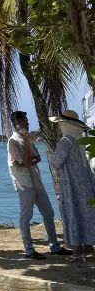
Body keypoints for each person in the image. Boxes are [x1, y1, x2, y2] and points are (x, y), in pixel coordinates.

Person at [8, 110, 72, 259]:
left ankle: (54, 246)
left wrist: (30, 157)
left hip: (36, 180)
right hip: (24, 183)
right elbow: (25, 162)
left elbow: (37, 158)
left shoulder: (27, 140)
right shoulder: (13, 141)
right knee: (26, 216)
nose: (28, 123)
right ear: (18, 122)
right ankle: (29, 249)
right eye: (25, 120)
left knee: (49, 213)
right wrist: (29, 158)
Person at [49, 110, 95, 261]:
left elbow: (56, 162)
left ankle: (76, 251)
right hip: (86, 181)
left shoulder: (66, 140)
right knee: (85, 212)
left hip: (72, 184)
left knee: (73, 212)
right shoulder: (80, 139)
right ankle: (88, 246)